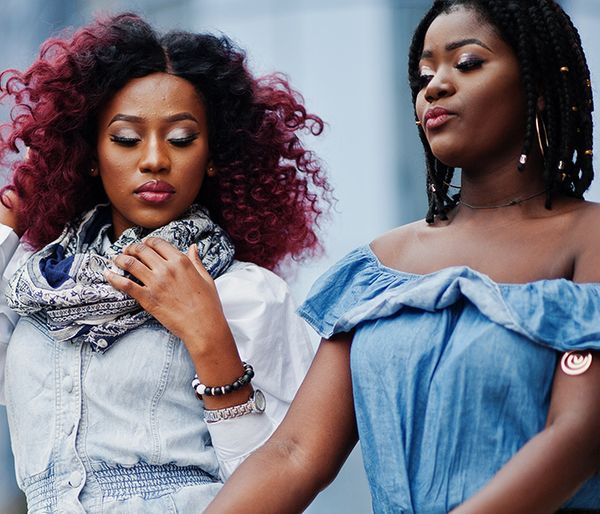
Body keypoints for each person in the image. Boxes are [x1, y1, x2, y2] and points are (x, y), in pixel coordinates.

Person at [205, 1, 600, 513]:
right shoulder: (375, 270)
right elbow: (295, 452)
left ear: (539, 89)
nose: (434, 86)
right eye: (424, 74)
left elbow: (579, 434)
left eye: (467, 63)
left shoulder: (587, 240)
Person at [0, 12, 330, 513]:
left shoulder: (247, 294)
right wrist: (9, 223)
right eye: (127, 139)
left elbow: (280, 483)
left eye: (180, 139)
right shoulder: (32, 287)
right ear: (90, 153)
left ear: (213, 156)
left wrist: (209, 337)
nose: (154, 159)